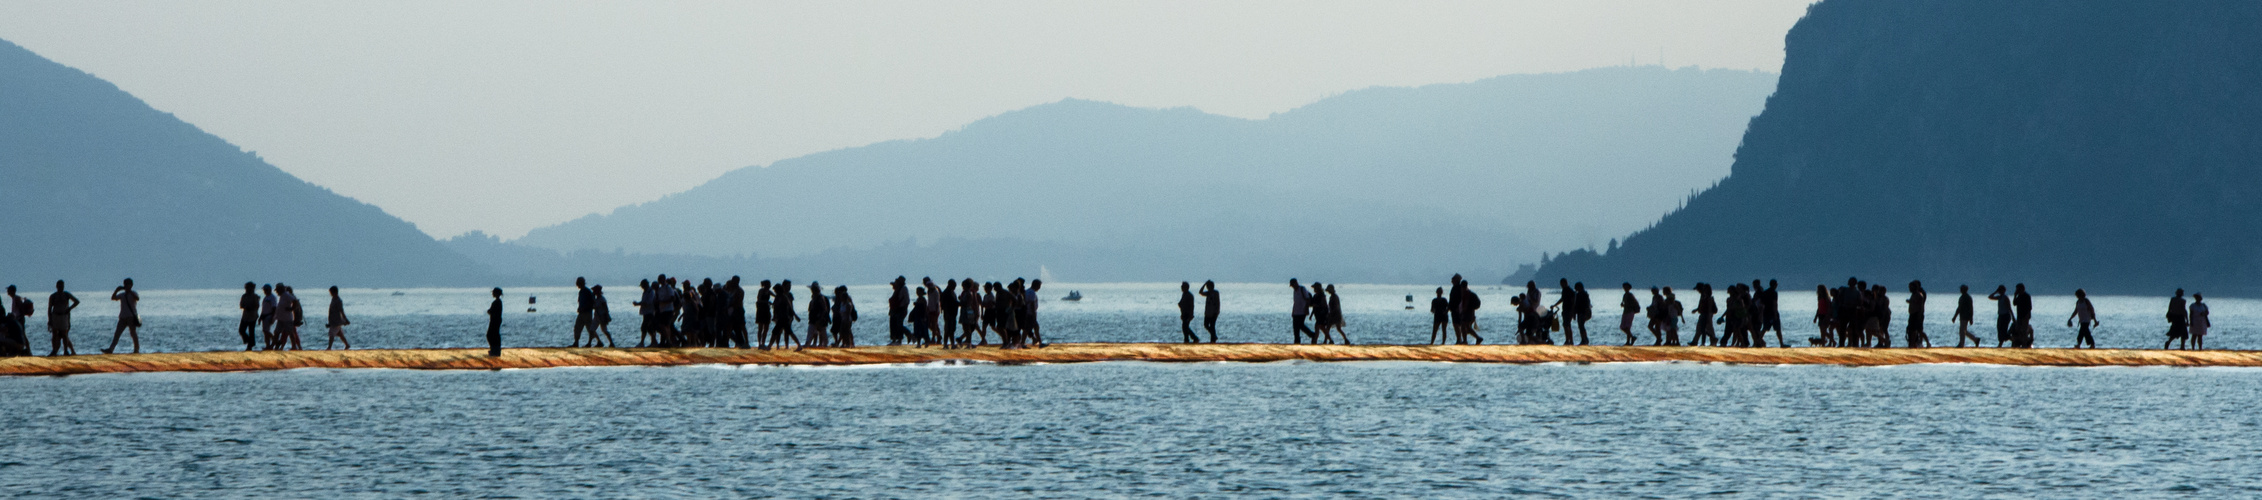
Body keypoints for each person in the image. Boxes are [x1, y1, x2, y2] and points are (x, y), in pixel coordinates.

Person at [103, 278, 141, 354]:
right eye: (125, 285)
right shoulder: (122, 295)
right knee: (117, 333)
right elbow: (113, 298)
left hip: (131, 317)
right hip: (122, 317)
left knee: (133, 333)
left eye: (128, 285)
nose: (126, 286)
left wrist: (130, 291)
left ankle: (136, 349)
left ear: (131, 285)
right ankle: (111, 349)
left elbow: (137, 298)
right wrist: (117, 290)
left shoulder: (133, 293)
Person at [45, 281, 79, 356]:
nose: (61, 287)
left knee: (64, 334)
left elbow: (76, 301)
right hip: (55, 315)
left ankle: (66, 350)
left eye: (62, 286)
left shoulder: (66, 294)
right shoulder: (53, 296)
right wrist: (49, 319)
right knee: (54, 334)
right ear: (57, 286)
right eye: (59, 286)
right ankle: (54, 350)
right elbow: (49, 308)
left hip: (64, 316)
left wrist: (69, 308)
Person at [772, 281, 800, 349]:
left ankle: (787, 345)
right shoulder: (779, 296)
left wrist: (794, 315)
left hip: (787, 315)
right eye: (788, 286)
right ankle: (777, 345)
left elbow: (790, 306)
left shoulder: (788, 295)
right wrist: (774, 316)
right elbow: (775, 306)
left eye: (790, 286)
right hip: (780, 316)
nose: (789, 287)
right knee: (779, 331)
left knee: (787, 331)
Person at [324, 286, 351, 350]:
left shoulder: (338, 301)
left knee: (331, 333)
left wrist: (345, 319)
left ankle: (329, 347)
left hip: (336, 320)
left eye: (331, 292)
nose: (330, 294)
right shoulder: (333, 299)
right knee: (339, 333)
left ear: (335, 292)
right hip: (333, 320)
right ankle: (347, 344)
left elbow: (341, 311)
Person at [572, 277, 596, 348]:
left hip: (587, 313)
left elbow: (592, 302)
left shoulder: (587, 291)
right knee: (577, 327)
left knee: (590, 328)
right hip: (581, 312)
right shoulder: (581, 292)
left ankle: (590, 343)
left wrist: (585, 308)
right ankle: (576, 342)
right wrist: (579, 308)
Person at [1904, 281, 1929, 348]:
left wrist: (1919, 315)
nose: (1909, 289)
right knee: (1911, 329)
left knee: (1917, 330)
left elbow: (1920, 305)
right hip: (1913, 314)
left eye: (1910, 287)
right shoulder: (1914, 294)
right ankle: (1913, 343)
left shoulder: (1919, 295)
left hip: (1917, 314)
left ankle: (1925, 343)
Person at [807, 282, 832, 348]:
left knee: (821, 330)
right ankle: (810, 343)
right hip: (814, 317)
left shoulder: (820, 298)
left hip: (818, 317)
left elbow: (824, 309)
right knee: (816, 330)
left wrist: (821, 317)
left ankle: (823, 343)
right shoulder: (815, 298)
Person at [236, 282, 260, 351]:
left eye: (247, 288)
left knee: (251, 331)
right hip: (245, 316)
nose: (246, 289)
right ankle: (250, 342)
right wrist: (245, 307)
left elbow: (257, 306)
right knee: (241, 330)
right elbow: (241, 305)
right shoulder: (244, 296)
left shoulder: (255, 296)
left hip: (252, 316)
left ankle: (249, 346)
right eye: (246, 288)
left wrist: (250, 307)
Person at [888, 277, 910, 346]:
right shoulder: (897, 289)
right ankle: (894, 339)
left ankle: (902, 338)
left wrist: (904, 308)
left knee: (899, 324)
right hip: (894, 309)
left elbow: (907, 300)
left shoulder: (903, 288)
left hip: (901, 309)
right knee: (893, 324)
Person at [754, 279, 774, 349]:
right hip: (761, 310)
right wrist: (767, 302)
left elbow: (775, 295)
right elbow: (759, 299)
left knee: (766, 328)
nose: (769, 286)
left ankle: (763, 342)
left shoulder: (768, 291)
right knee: (760, 328)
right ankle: (760, 343)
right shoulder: (761, 291)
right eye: (768, 285)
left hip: (766, 310)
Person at [2012, 284, 2034, 348]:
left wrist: (2027, 315)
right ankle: (2021, 342)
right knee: (2018, 329)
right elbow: (2014, 303)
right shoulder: (2019, 296)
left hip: (2025, 315)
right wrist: (2015, 295)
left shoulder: (2026, 296)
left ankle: (2024, 344)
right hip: (2019, 315)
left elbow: (2029, 307)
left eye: (2018, 289)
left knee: (2024, 330)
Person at [1290, 279, 1312, 344]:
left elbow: (1307, 299)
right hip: (1296, 312)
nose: (1292, 287)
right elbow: (1295, 302)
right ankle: (1297, 341)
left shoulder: (1302, 289)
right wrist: (1293, 311)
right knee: (1295, 327)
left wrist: (1306, 309)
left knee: (1301, 325)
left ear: (1296, 283)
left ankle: (1312, 335)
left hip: (1302, 311)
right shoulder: (1295, 291)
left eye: (1293, 285)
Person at [486, 287, 504, 357]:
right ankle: (495, 349)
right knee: (494, 334)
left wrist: (489, 311)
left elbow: (492, 311)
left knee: (491, 335)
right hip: (496, 320)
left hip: (495, 320)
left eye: (493, 292)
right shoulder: (498, 302)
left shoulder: (497, 302)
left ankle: (495, 349)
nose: (492, 294)